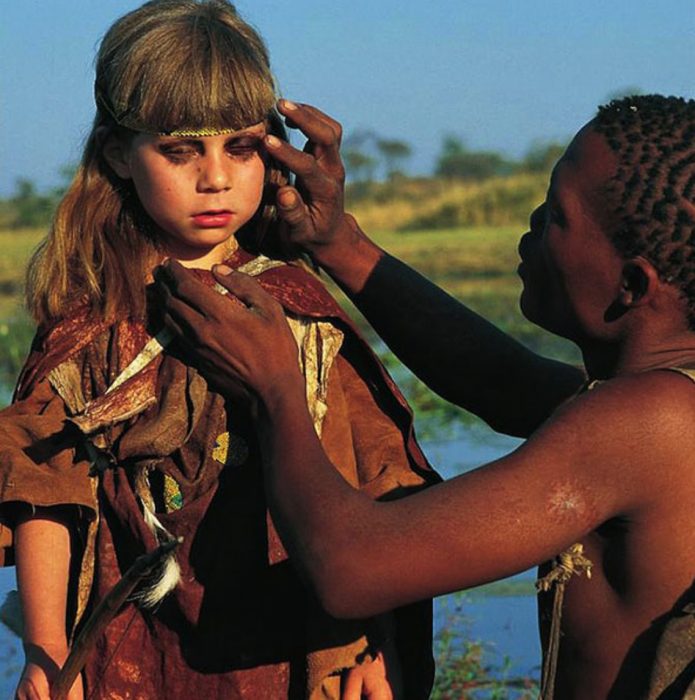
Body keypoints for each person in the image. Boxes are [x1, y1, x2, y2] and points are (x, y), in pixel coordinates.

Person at [156, 94, 695, 699]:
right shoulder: (657, 401)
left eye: (557, 216)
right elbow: (498, 380)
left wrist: (275, 388)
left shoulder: (650, 422)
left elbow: (351, 568)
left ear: (633, 284)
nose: (533, 223)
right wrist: (337, 243)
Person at [0, 2, 441, 698]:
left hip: (296, 641)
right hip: (131, 651)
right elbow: (44, 496)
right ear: (119, 152)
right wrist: (50, 652)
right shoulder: (86, 322)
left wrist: (370, 647)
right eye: (179, 151)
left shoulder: (298, 307)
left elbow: (377, 481)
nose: (216, 178)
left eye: (241, 147)